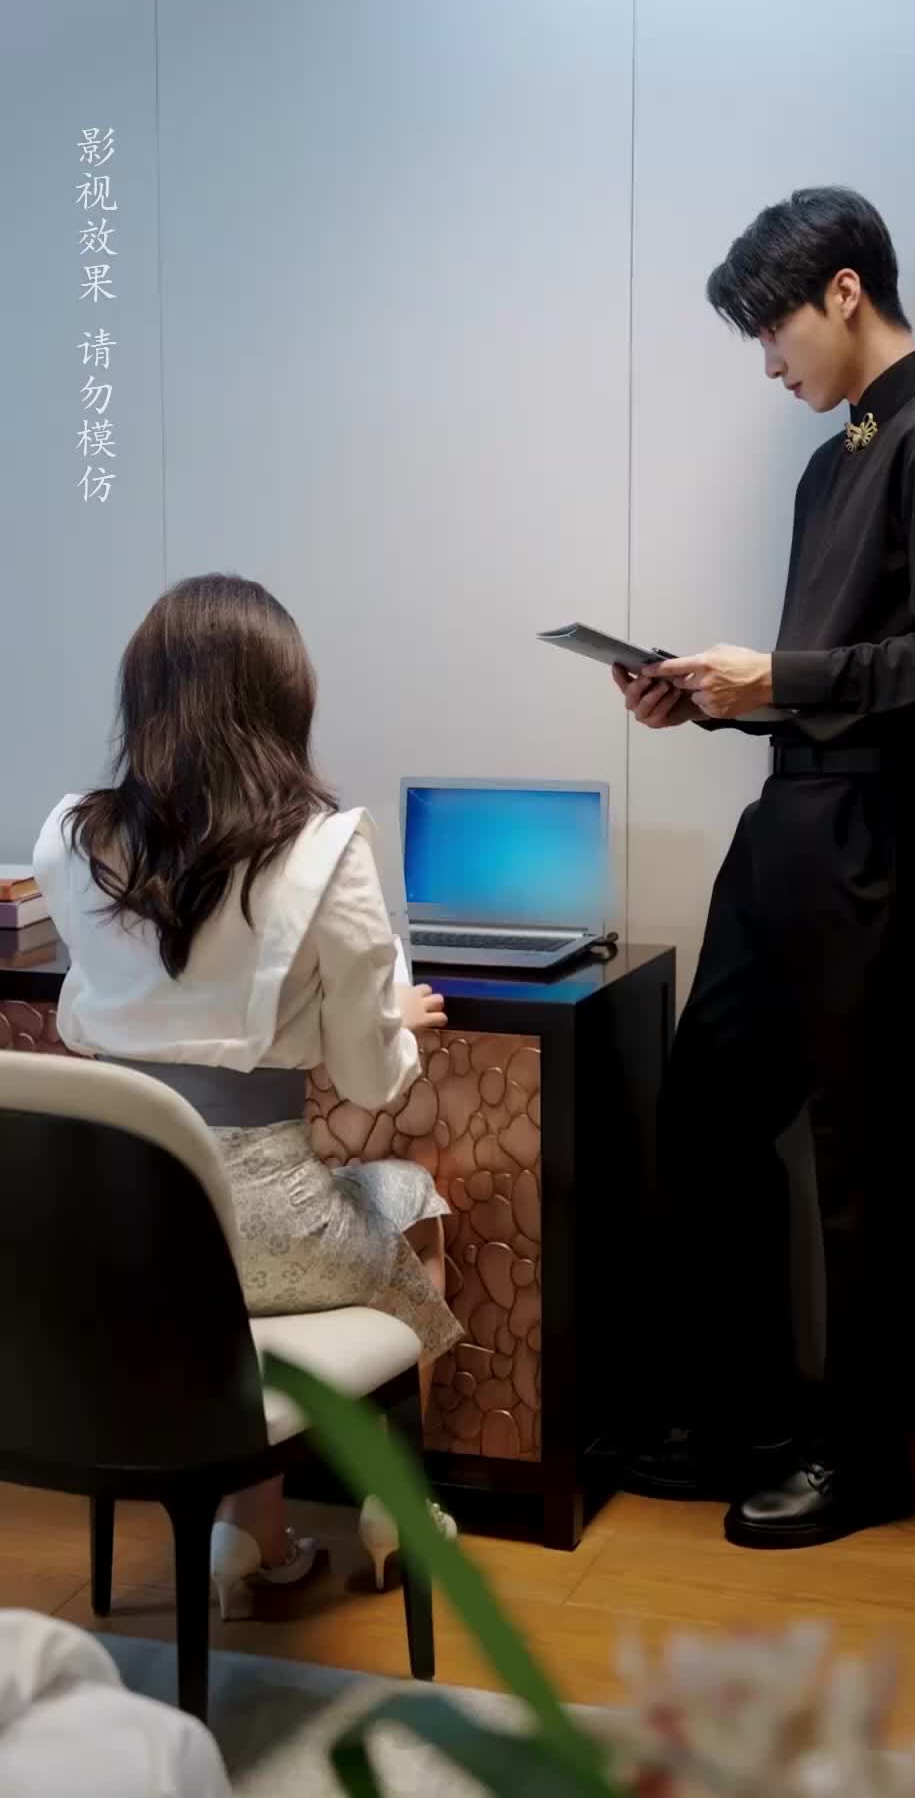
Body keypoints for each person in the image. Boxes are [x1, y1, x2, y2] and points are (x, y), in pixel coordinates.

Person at [616, 188, 915, 1548]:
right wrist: (715, 698)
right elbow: (834, 671)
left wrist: (780, 679)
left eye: (772, 329)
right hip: (789, 822)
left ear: (846, 290)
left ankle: (862, 1459)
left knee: (867, 1154)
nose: (767, 363)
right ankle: (747, 1417)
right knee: (707, 1114)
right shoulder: (835, 457)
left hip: (877, 834)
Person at [34, 573, 460, 1611]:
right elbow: (367, 1077)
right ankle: (396, 1504)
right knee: (417, 1203)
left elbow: (88, 1018)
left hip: (125, 1241)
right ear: (282, 700)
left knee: (222, 1316)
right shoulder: (324, 846)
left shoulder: (69, 838)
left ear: (144, 696)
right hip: (270, 1229)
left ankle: (251, 1539)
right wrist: (394, 1026)